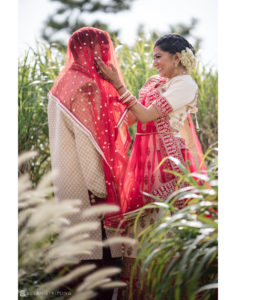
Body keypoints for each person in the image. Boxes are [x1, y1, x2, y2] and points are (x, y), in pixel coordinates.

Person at [95, 33, 207, 299]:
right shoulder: (154, 83)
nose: (154, 63)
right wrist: (105, 101)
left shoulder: (184, 85)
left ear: (177, 57)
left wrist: (118, 83)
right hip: (143, 161)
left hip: (167, 165)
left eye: (159, 57)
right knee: (138, 231)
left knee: (161, 227)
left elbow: (147, 114)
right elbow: (135, 119)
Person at [47, 27, 131, 299]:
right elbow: (89, 145)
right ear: (94, 51)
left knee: (82, 275)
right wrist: (103, 190)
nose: (108, 56)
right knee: (101, 280)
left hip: (68, 189)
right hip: (90, 196)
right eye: (104, 49)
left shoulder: (61, 84)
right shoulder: (85, 85)